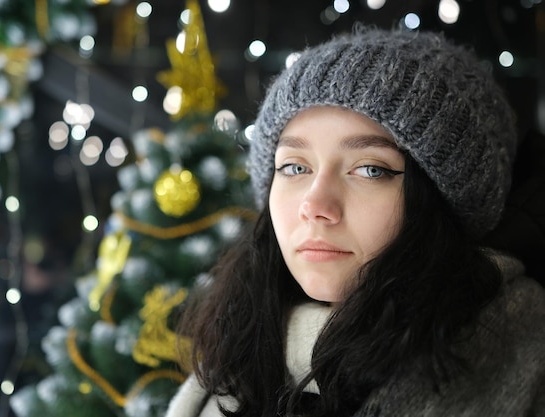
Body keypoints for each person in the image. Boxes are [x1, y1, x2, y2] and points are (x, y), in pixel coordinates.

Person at [164, 26, 545, 417]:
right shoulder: (237, 352)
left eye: (370, 170)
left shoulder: (517, 348)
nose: (315, 204)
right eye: (295, 166)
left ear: (442, 204)